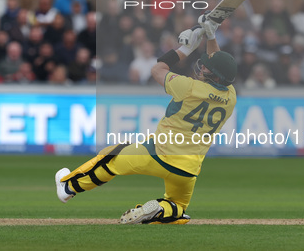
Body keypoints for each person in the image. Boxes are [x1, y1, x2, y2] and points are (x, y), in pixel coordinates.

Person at [55, 15, 237, 225]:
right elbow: (217, 61)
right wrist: (211, 34)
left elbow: (157, 69)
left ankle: (68, 188)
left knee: (110, 158)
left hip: (157, 153)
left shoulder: (189, 88)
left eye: (206, 69)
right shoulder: (230, 97)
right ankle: (161, 209)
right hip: (188, 169)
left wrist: (184, 50)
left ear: (215, 77)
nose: (202, 68)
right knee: (178, 206)